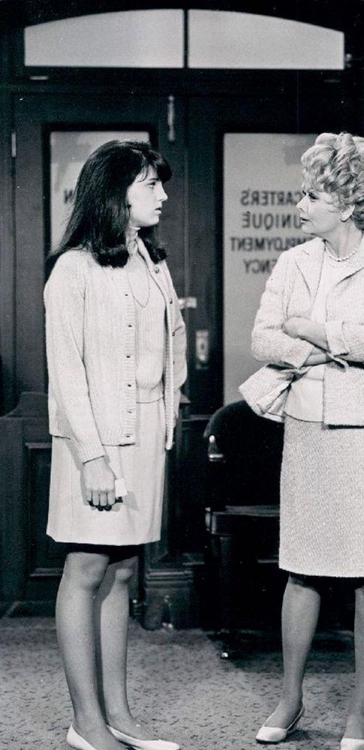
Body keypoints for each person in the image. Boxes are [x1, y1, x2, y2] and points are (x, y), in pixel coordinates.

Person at [242, 132, 364, 750]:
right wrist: (331, 346)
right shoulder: (294, 261)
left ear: (347, 202)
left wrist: (309, 329)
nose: (300, 205)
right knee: (303, 568)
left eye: (312, 194)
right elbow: (264, 340)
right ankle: (290, 699)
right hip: (309, 427)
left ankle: (362, 710)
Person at [44, 140, 187, 750]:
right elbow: (66, 370)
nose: (161, 194)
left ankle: (120, 717)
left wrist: (167, 420)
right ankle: (86, 723)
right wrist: (94, 456)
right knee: (86, 567)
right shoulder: (73, 268)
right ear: (117, 193)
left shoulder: (153, 263)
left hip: (143, 439)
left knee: (124, 570)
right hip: (93, 443)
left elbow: (171, 346)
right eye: (151, 184)